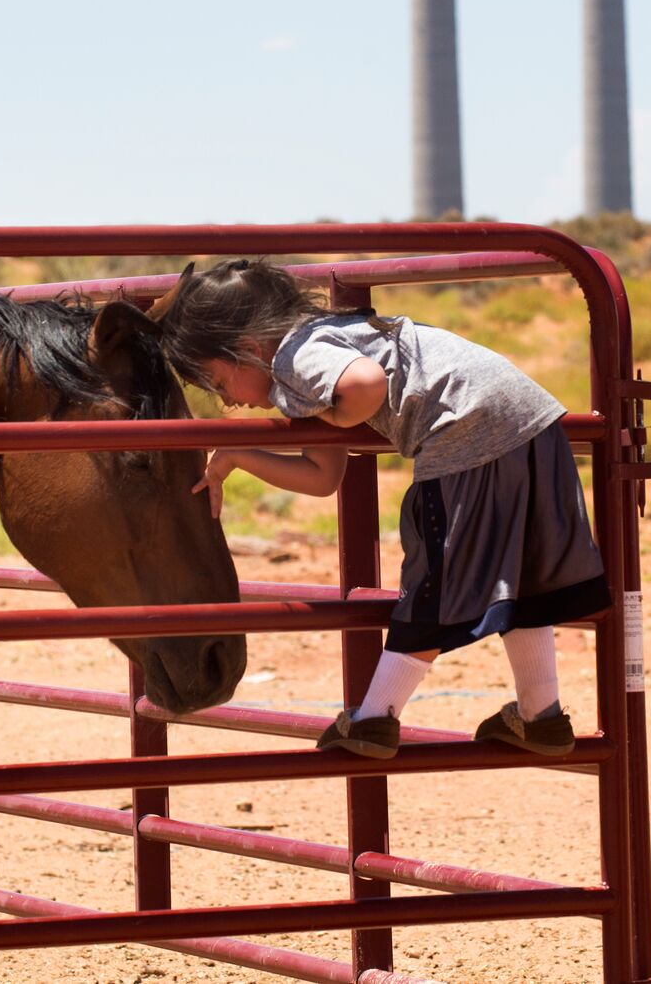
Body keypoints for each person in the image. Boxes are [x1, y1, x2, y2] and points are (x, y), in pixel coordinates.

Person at [153, 259, 609, 759]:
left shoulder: (294, 356)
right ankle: (540, 717)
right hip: (532, 421)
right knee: (524, 577)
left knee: (432, 586)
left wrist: (338, 411)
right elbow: (323, 477)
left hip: (463, 431)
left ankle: (372, 720)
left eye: (219, 384)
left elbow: (366, 385)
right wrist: (240, 456)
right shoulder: (319, 353)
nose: (228, 404)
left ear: (248, 350)